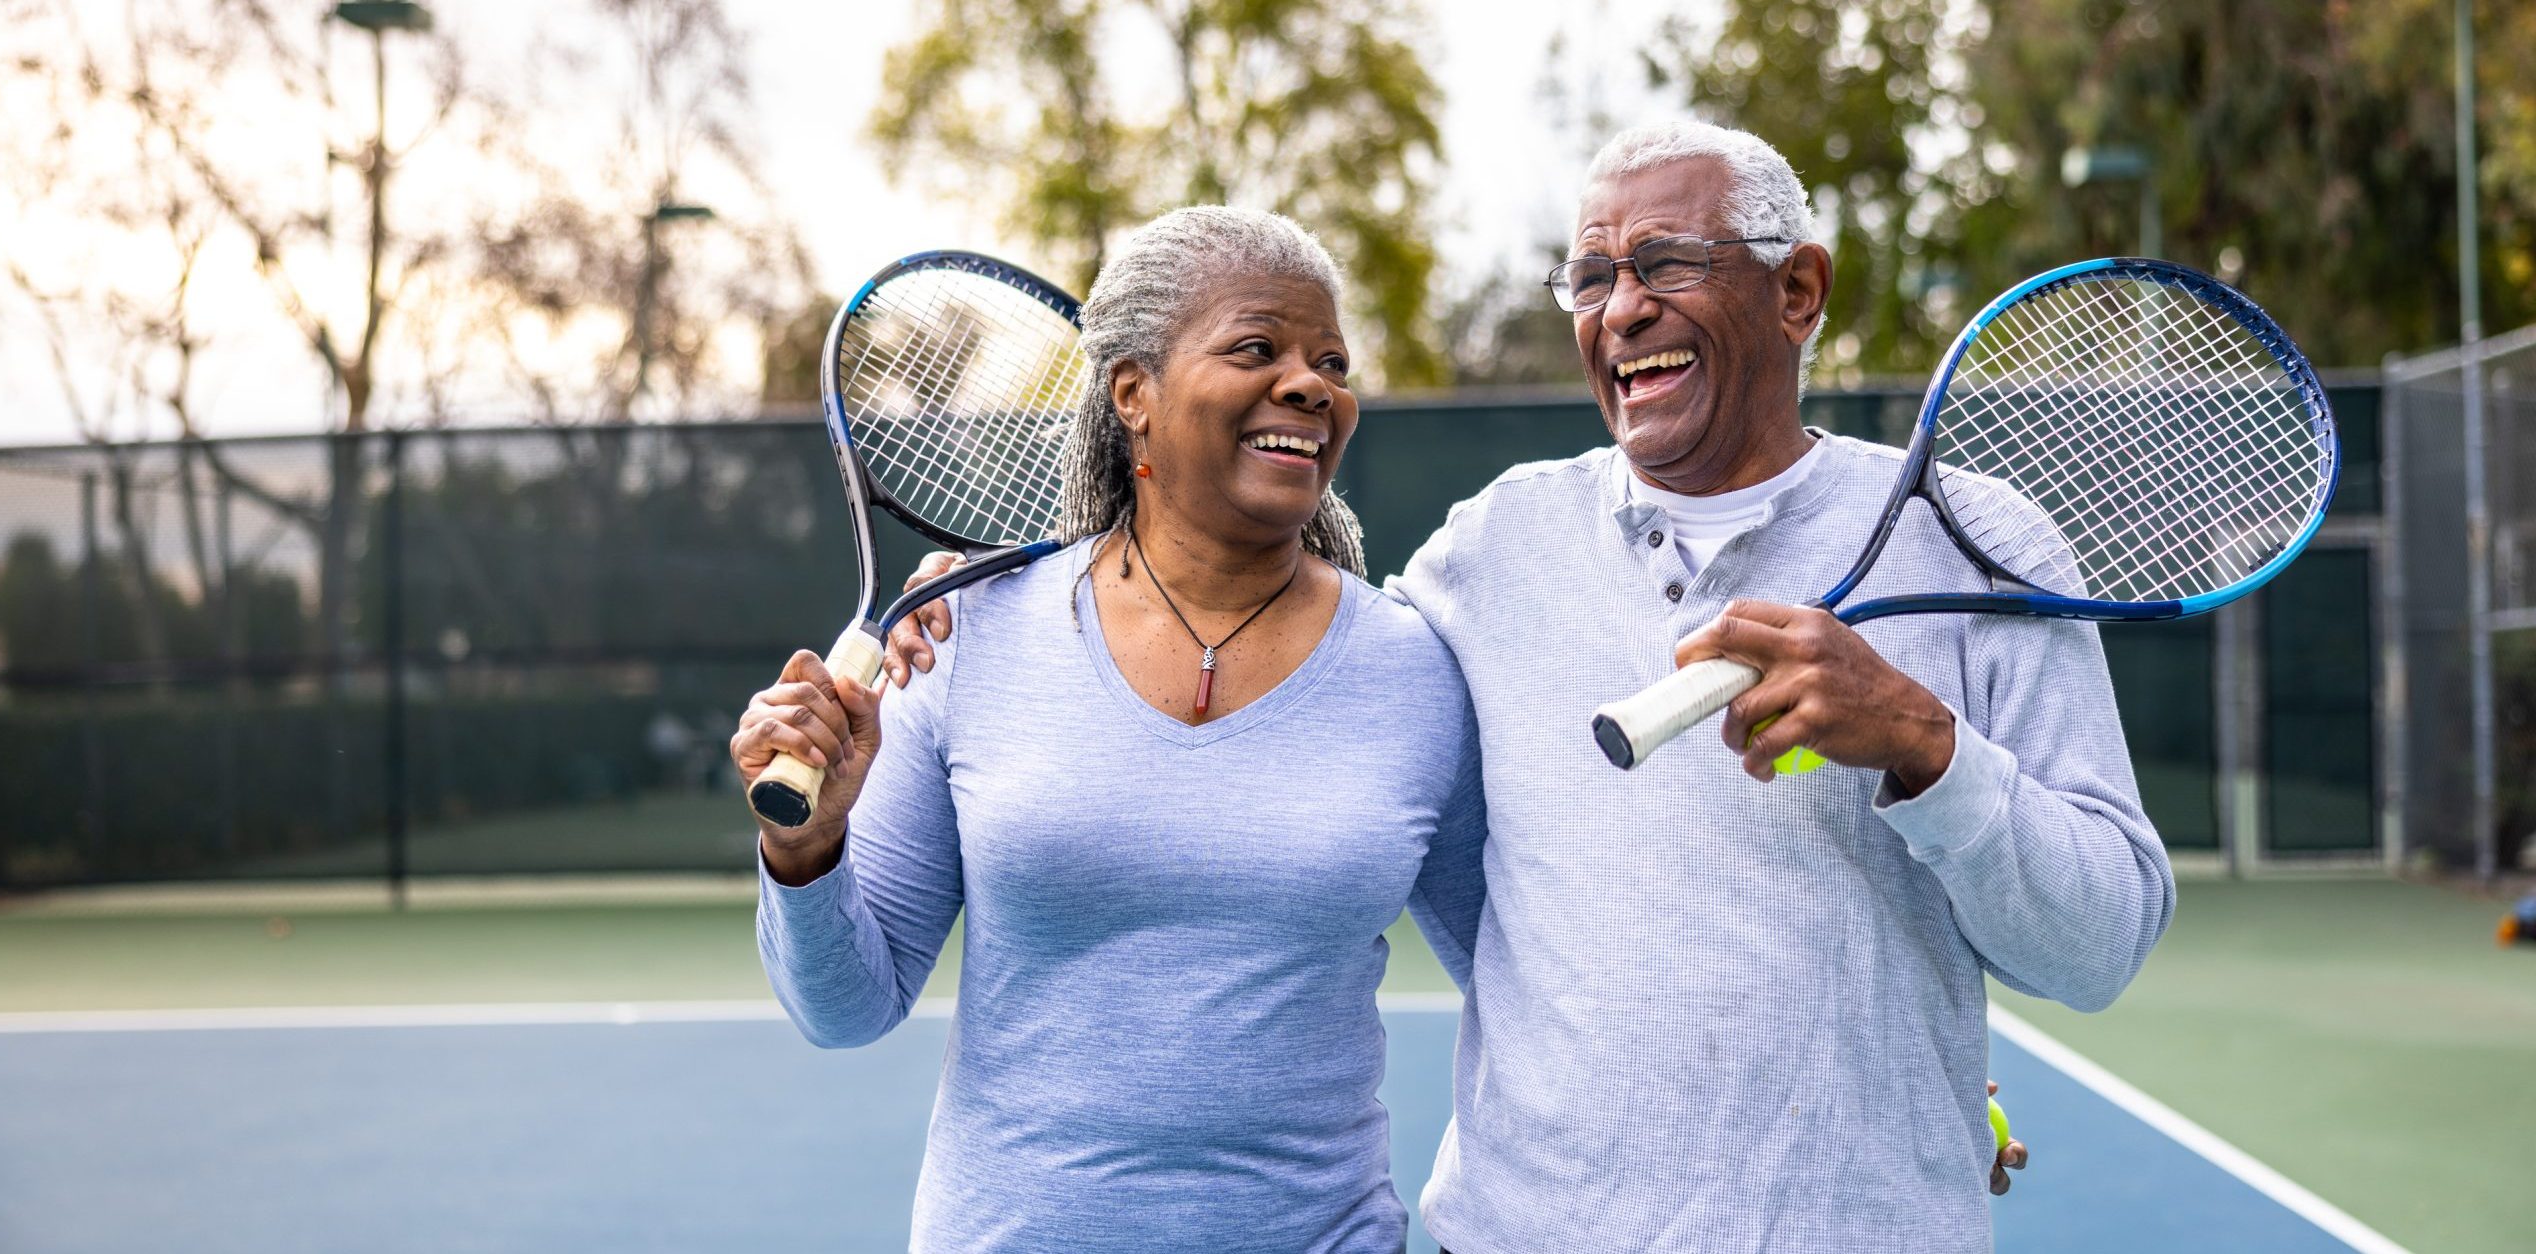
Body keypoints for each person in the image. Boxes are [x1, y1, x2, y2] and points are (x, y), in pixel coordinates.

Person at [894, 118, 2149, 1251]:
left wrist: (1922, 748)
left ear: (1797, 290)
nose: (1621, 309)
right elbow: (1489, 904)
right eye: (1591, 278)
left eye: (1664, 263)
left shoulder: (1980, 546)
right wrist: (1001, 602)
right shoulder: (1483, 561)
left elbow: (2097, 944)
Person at [733, 206, 1486, 1253]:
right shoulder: (965, 634)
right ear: (1132, 392)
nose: (1311, 385)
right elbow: (844, 1007)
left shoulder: (1412, 669)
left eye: (1331, 362)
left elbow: (1523, 969)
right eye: (1256, 348)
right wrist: (803, 845)